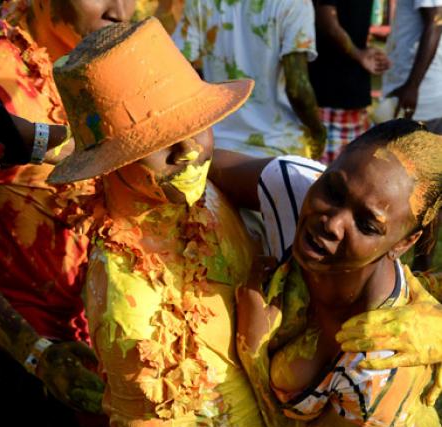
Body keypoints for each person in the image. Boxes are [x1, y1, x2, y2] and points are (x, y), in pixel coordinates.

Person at [48, 18, 270, 427]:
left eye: (196, 124)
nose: (189, 152)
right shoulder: (126, 291)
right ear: (110, 161)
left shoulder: (203, 198)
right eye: (157, 142)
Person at [209, 120, 442, 427]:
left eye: (366, 223)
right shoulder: (297, 188)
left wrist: (253, 354)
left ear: (404, 243)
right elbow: (188, 163)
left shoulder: (383, 358)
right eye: (333, 189)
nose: (332, 223)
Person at [0, 1, 135, 427]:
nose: (121, 9)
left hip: (108, 357)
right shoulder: (4, 73)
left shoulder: (122, 61)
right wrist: (33, 352)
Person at [172, 0, 326, 159]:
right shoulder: (295, 4)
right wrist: (319, 132)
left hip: (220, 147)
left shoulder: (200, 3)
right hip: (280, 146)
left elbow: (177, 69)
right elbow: (297, 88)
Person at [382, 0, 442, 271]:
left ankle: (421, 267)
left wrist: (412, 86)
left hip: (423, 101)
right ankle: (421, 266)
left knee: (422, 189)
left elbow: (436, 21)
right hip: (423, 96)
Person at [309, 0, 390, 163]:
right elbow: (326, 20)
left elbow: (350, 24)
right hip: (330, 92)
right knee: (326, 175)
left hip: (351, 92)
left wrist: (366, 53)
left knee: (351, 170)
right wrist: (359, 54)